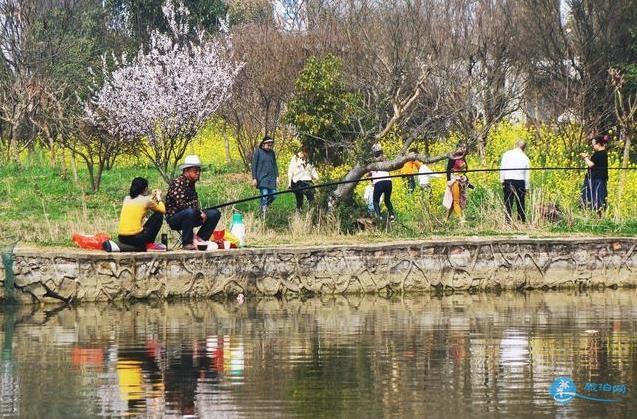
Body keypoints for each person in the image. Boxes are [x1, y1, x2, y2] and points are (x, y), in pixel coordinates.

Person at [165, 155, 221, 250]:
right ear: (186, 171)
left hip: (191, 215)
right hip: (175, 218)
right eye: (195, 171)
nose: (198, 173)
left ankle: (200, 240)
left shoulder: (191, 184)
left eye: (199, 171)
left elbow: (194, 204)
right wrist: (199, 213)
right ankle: (187, 242)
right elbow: (181, 205)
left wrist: (201, 213)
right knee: (189, 212)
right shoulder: (178, 183)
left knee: (214, 213)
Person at [116, 177, 166, 251]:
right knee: (158, 216)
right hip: (135, 239)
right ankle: (149, 244)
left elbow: (145, 202)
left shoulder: (126, 198)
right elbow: (163, 210)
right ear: (145, 189)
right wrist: (158, 196)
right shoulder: (146, 200)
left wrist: (151, 197)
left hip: (122, 238)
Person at [499, 140, 531, 222]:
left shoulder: (507, 154)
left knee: (508, 202)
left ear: (515, 145)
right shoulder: (525, 158)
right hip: (521, 181)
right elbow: (527, 174)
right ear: (524, 148)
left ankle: (508, 221)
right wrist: (526, 187)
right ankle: (521, 220)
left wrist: (502, 180)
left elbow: (502, 168)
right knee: (521, 202)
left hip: (508, 180)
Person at [580, 134, 609, 213]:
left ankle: (594, 212)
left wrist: (585, 157)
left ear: (598, 144)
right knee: (598, 197)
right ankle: (598, 212)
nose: (593, 146)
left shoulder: (600, 154)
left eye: (593, 144)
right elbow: (596, 163)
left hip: (595, 180)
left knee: (594, 197)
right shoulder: (603, 153)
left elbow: (591, 164)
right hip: (598, 179)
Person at [252, 136, 279, 215]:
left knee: (274, 195)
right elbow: (254, 165)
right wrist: (254, 178)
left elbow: (275, 165)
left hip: (271, 178)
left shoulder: (272, 153)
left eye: (271, 145)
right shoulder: (258, 152)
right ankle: (263, 213)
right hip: (262, 178)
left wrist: (277, 176)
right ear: (263, 144)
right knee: (264, 194)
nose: (269, 147)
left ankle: (264, 206)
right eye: (268, 145)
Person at [369, 145, 396, 220]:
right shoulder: (386, 161)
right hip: (388, 181)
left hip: (379, 182)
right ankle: (392, 214)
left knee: (375, 201)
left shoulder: (372, 163)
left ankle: (379, 216)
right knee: (387, 199)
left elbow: (369, 173)